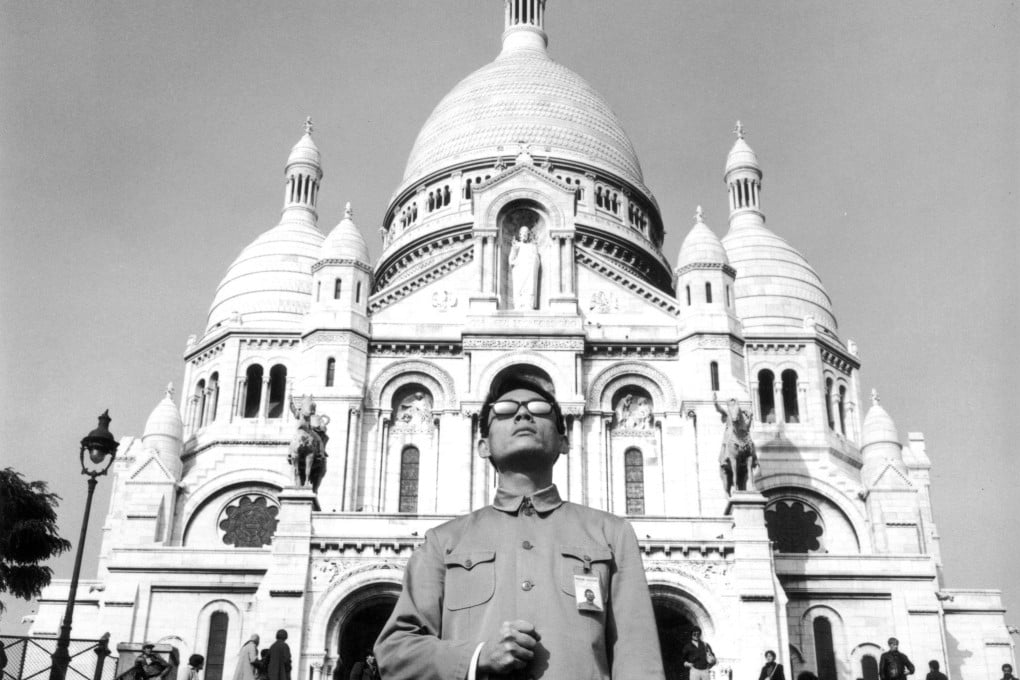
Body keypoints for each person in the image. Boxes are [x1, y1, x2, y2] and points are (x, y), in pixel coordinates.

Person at [375, 375, 665, 680]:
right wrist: (476, 657)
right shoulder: (442, 542)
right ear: (483, 446)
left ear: (563, 442)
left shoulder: (612, 534)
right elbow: (395, 652)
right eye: (505, 410)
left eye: (539, 409)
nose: (523, 414)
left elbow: (639, 660)